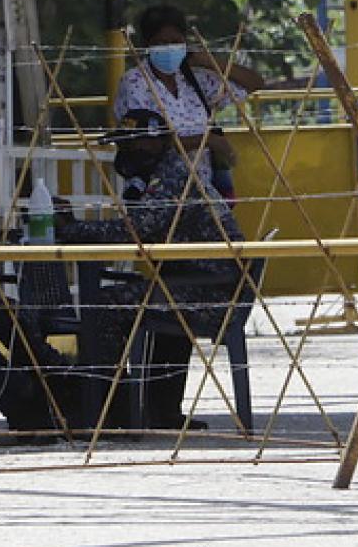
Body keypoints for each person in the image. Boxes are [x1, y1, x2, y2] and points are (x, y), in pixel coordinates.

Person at [59, 108, 248, 429]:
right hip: (199, 284)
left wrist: (72, 229)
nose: (125, 153)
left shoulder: (171, 178)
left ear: (155, 143)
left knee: (106, 305)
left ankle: (110, 407)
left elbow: (136, 230)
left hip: (209, 293)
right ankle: (156, 410)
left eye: (132, 145)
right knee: (137, 294)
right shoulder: (166, 172)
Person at [113, 4, 263, 195]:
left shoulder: (193, 78)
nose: (169, 48)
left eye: (176, 42)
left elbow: (254, 83)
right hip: (156, 193)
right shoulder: (135, 83)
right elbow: (144, 145)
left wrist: (208, 61)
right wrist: (207, 140)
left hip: (202, 191)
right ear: (148, 45)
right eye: (161, 43)